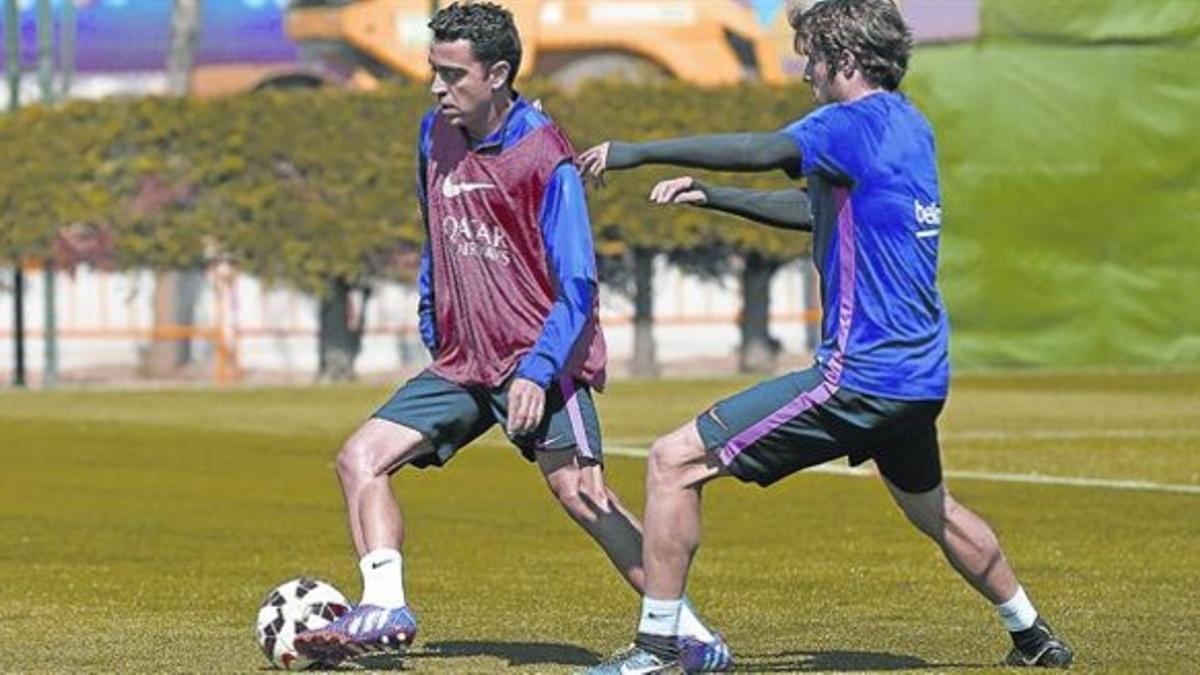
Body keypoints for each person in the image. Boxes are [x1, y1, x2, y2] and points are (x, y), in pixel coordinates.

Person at [577, 0, 1074, 671]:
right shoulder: (909, 125)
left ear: (842, 58)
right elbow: (817, 210)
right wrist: (716, 194)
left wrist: (635, 151)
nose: (803, 71)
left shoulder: (848, 123)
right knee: (935, 511)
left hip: (858, 379)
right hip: (918, 380)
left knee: (672, 461)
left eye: (810, 56)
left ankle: (659, 647)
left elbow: (762, 148)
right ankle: (1033, 633)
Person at [293, 2, 729, 668]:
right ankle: (384, 604)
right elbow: (434, 234)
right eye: (432, 71)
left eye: (452, 74)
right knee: (360, 458)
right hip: (462, 363)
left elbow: (578, 284)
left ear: (497, 74)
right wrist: (432, 314)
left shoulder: (544, 156)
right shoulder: (431, 133)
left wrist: (537, 368)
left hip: (540, 361)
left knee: (584, 495)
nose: (438, 88)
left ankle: (688, 634)